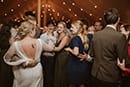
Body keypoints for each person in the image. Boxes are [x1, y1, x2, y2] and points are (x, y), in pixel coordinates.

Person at [3, 21, 54, 87]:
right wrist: (49, 36)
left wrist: (22, 61)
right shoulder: (40, 42)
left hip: (23, 72)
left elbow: (6, 58)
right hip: (36, 71)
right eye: (35, 30)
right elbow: (51, 49)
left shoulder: (16, 45)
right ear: (31, 31)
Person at [88, 8, 128, 87]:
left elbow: (92, 54)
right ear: (118, 19)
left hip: (95, 74)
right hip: (110, 77)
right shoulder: (120, 37)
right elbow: (123, 59)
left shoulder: (96, 34)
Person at [65, 20, 90, 87]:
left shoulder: (76, 38)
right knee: (81, 84)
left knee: (72, 84)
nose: (70, 29)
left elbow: (76, 53)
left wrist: (69, 49)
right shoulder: (86, 37)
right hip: (83, 65)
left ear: (78, 28)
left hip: (75, 65)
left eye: (72, 27)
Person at [53, 22, 70, 87]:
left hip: (63, 56)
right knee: (58, 73)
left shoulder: (65, 37)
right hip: (58, 56)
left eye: (61, 27)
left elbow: (59, 48)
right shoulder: (58, 35)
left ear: (64, 28)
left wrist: (47, 47)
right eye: (58, 27)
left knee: (61, 73)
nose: (59, 28)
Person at [40, 21, 57, 87]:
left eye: (52, 26)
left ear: (54, 27)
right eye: (49, 26)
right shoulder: (42, 36)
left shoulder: (55, 35)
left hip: (52, 57)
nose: (51, 27)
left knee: (50, 74)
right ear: (47, 27)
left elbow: (55, 45)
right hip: (44, 56)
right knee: (44, 74)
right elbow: (41, 46)